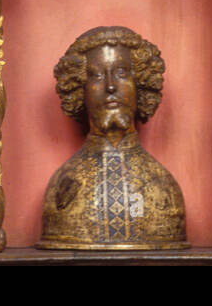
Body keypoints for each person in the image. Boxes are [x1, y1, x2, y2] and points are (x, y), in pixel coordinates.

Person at [39, 26, 187, 249]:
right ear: (80, 88)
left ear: (140, 84)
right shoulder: (62, 187)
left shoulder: (163, 186)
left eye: (121, 73)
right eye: (96, 75)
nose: (110, 86)